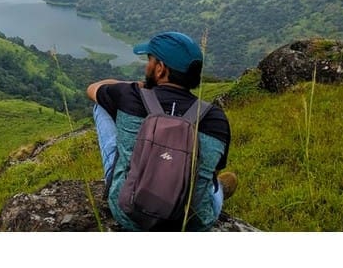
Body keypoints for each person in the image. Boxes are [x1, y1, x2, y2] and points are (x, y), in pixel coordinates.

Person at [86, 31, 237, 231]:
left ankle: (120, 179)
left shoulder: (130, 95)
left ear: (160, 69)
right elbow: (211, 171)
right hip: (191, 224)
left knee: (100, 106)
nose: (146, 65)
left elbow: (93, 88)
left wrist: (136, 86)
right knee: (213, 186)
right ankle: (219, 192)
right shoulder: (216, 118)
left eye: (149, 60)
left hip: (128, 214)